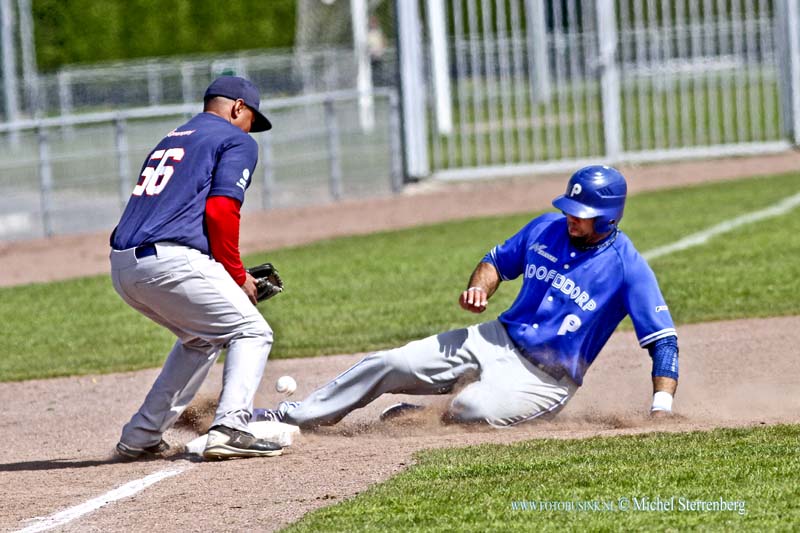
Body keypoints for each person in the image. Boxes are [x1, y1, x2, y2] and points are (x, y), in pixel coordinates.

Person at [257, 166, 679, 428]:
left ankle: (423, 416)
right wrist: (481, 286)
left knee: (471, 407)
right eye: (569, 208)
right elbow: (495, 261)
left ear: (607, 216)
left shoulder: (628, 267)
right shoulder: (545, 228)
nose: (571, 218)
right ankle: (293, 416)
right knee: (391, 362)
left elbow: (663, 341)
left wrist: (661, 407)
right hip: (495, 336)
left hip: (544, 380)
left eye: (581, 215)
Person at [110, 76, 284, 460]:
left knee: (200, 338)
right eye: (250, 119)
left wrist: (226, 272)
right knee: (251, 331)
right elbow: (221, 211)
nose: (250, 129)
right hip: (169, 261)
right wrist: (237, 277)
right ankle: (231, 427)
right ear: (238, 107)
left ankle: (141, 435)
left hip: (125, 266)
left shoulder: (173, 137)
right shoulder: (235, 139)